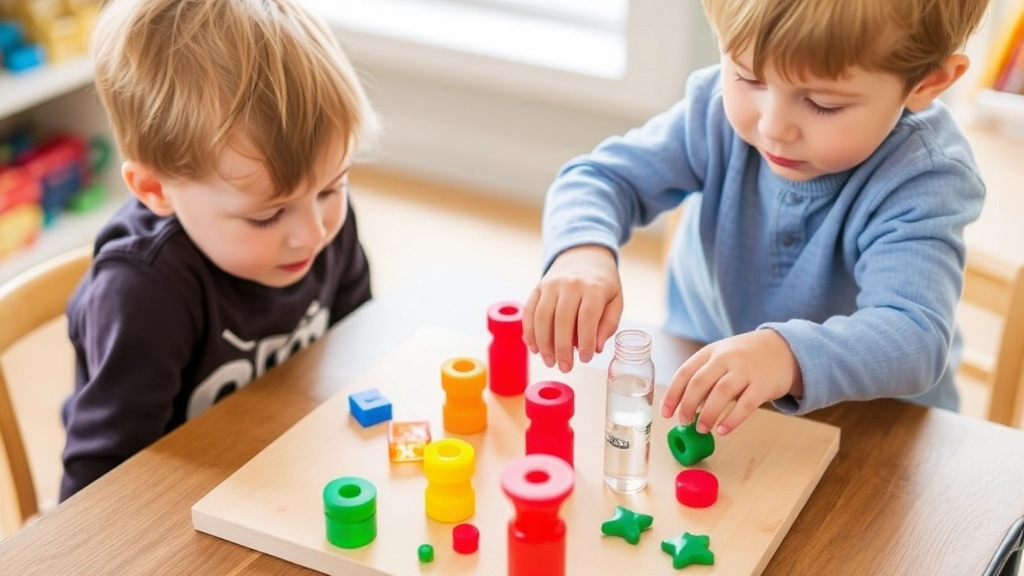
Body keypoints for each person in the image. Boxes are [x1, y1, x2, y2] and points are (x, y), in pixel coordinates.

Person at [523, 0, 991, 438]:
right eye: (748, 78)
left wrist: (783, 356)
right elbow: (599, 178)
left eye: (823, 103)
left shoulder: (924, 174)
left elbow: (914, 337)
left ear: (927, 83)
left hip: (874, 426)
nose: (772, 126)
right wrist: (581, 253)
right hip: (720, 396)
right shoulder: (713, 114)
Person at [60, 0, 377, 500]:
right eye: (267, 215)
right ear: (156, 190)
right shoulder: (144, 291)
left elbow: (358, 342)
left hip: (286, 462)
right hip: (178, 501)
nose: (313, 233)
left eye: (331, 189)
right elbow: (101, 483)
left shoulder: (324, 225)